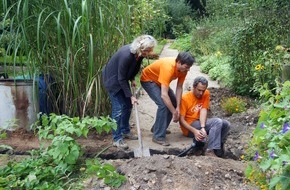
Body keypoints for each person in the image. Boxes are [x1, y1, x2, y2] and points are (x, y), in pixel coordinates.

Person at [102, 35, 157, 150]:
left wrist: (132, 78)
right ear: (140, 48)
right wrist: (131, 96)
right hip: (112, 80)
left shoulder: (140, 54)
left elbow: (134, 68)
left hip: (121, 79)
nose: (149, 53)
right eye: (147, 50)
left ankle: (125, 131)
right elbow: (121, 78)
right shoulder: (126, 55)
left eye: (150, 50)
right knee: (118, 109)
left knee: (127, 106)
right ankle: (117, 139)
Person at [140, 52, 195, 146]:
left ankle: (157, 128)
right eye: (186, 66)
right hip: (148, 80)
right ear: (179, 63)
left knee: (173, 103)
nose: (188, 69)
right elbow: (164, 95)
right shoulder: (168, 67)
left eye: (189, 67)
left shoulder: (183, 70)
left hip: (159, 81)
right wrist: (174, 112)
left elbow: (179, 87)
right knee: (163, 105)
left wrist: (177, 107)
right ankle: (158, 136)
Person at [179, 76, 231, 157]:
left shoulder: (206, 93)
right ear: (194, 87)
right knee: (217, 122)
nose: (201, 93)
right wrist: (195, 131)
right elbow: (181, 121)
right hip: (189, 127)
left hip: (199, 122)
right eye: (199, 90)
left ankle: (218, 149)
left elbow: (203, 110)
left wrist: (203, 127)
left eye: (203, 91)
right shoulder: (185, 98)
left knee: (226, 124)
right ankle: (209, 151)